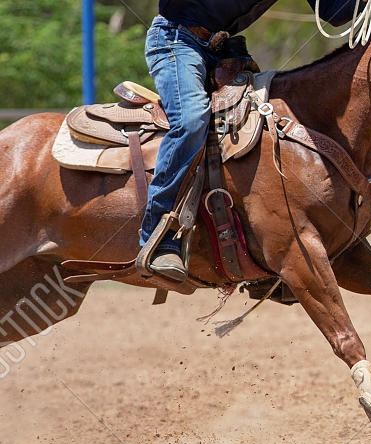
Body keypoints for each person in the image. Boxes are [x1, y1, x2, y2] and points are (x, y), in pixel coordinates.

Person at [141, 1, 357, 281]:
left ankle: (261, 252)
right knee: (191, 120)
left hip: (223, 50)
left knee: (269, 123)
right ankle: (159, 234)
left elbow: (336, 12)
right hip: (176, 41)